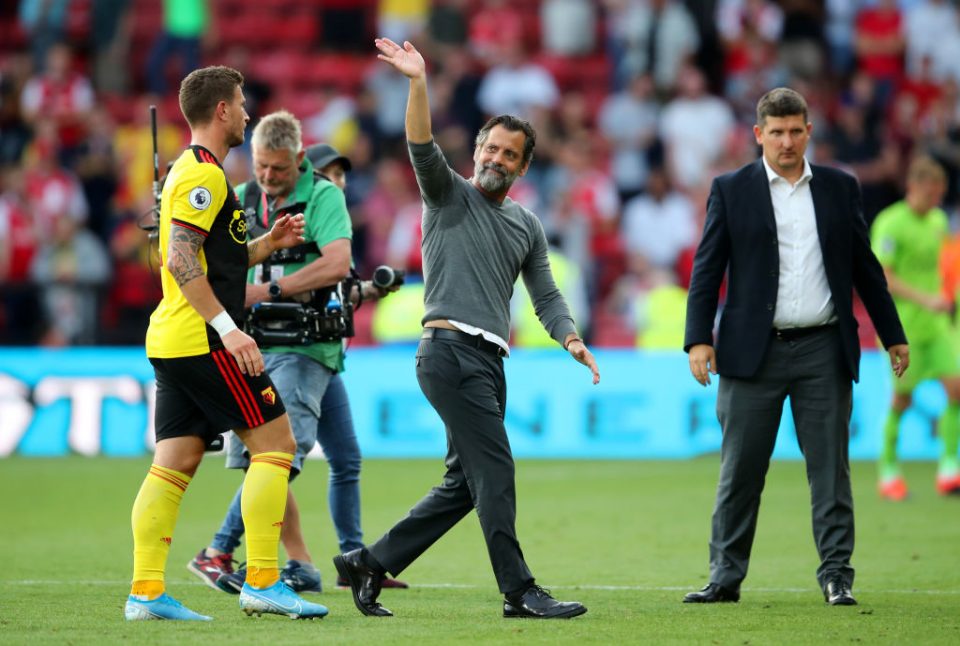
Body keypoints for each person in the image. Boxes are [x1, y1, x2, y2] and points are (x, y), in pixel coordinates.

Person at [332, 37, 600, 621]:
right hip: (448, 353)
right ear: (476, 149)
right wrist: (418, 83)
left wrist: (571, 337)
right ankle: (519, 591)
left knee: (465, 484)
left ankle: (368, 563)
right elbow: (420, 145)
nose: (497, 159)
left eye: (510, 154)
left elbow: (546, 295)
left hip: (489, 360)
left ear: (524, 166)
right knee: (496, 467)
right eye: (491, 148)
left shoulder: (526, 224)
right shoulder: (446, 193)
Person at [682, 87, 909, 607]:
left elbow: (864, 268)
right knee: (740, 471)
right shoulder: (730, 189)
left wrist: (892, 333)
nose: (786, 141)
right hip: (748, 353)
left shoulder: (838, 187)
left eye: (795, 131)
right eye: (776, 132)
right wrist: (698, 339)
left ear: (809, 131)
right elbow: (706, 270)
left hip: (823, 349)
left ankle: (836, 576)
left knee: (830, 470)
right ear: (758, 135)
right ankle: (725, 578)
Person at [124, 66, 327, 621]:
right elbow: (182, 258)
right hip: (202, 339)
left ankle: (145, 593)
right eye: (240, 104)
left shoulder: (201, 173)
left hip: (173, 339)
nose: (246, 113)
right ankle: (262, 580)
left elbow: (213, 259)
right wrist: (229, 328)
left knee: (176, 460)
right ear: (219, 111)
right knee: (277, 445)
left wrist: (268, 242)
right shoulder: (204, 176)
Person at [186, 111, 407, 593]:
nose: (267, 178)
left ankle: (347, 561)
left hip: (313, 346)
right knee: (277, 457)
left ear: (300, 159)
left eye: (278, 170)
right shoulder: (241, 197)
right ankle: (219, 550)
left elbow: (336, 263)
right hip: (264, 348)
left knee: (336, 459)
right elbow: (208, 263)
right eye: (261, 167)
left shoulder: (325, 195)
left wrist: (270, 290)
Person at [871, 156, 960, 499]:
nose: (936, 201)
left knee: (956, 388)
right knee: (902, 400)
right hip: (901, 328)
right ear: (913, 187)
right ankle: (889, 469)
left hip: (936, 326)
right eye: (931, 194)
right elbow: (885, 277)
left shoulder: (938, 221)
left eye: (940, 195)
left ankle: (950, 468)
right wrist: (927, 299)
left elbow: (943, 265)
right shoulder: (890, 223)